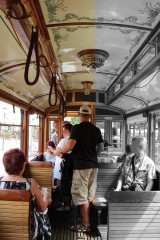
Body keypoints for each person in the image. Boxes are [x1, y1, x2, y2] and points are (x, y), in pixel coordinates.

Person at [58, 105, 104, 232]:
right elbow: (101, 148)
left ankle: (85, 225)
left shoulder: (77, 128)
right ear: (89, 116)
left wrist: (61, 151)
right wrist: (91, 155)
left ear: (79, 114)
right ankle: (87, 221)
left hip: (81, 167)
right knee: (89, 196)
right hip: (94, 167)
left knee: (81, 196)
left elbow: (70, 146)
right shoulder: (96, 130)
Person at [0, 148, 51, 240]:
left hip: (3, 230)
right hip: (29, 231)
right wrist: (46, 196)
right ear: (23, 166)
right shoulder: (30, 183)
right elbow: (42, 208)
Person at [50, 122, 73, 211]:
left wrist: (52, 150)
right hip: (70, 167)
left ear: (67, 130)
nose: (62, 131)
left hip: (63, 167)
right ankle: (69, 205)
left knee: (62, 186)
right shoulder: (73, 140)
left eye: (63, 129)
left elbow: (57, 152)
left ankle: (65, 206)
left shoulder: (64, 140)